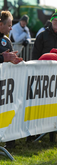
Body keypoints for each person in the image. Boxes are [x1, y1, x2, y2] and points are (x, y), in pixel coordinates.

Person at [0, 11, 23, 149]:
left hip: (5, 85)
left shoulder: (7, 40)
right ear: (0, 24)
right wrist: (3, 58)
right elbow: (3, 58)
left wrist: (13, 60)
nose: (11, 28)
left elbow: (9, 58)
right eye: (8, 25)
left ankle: (10, 141)